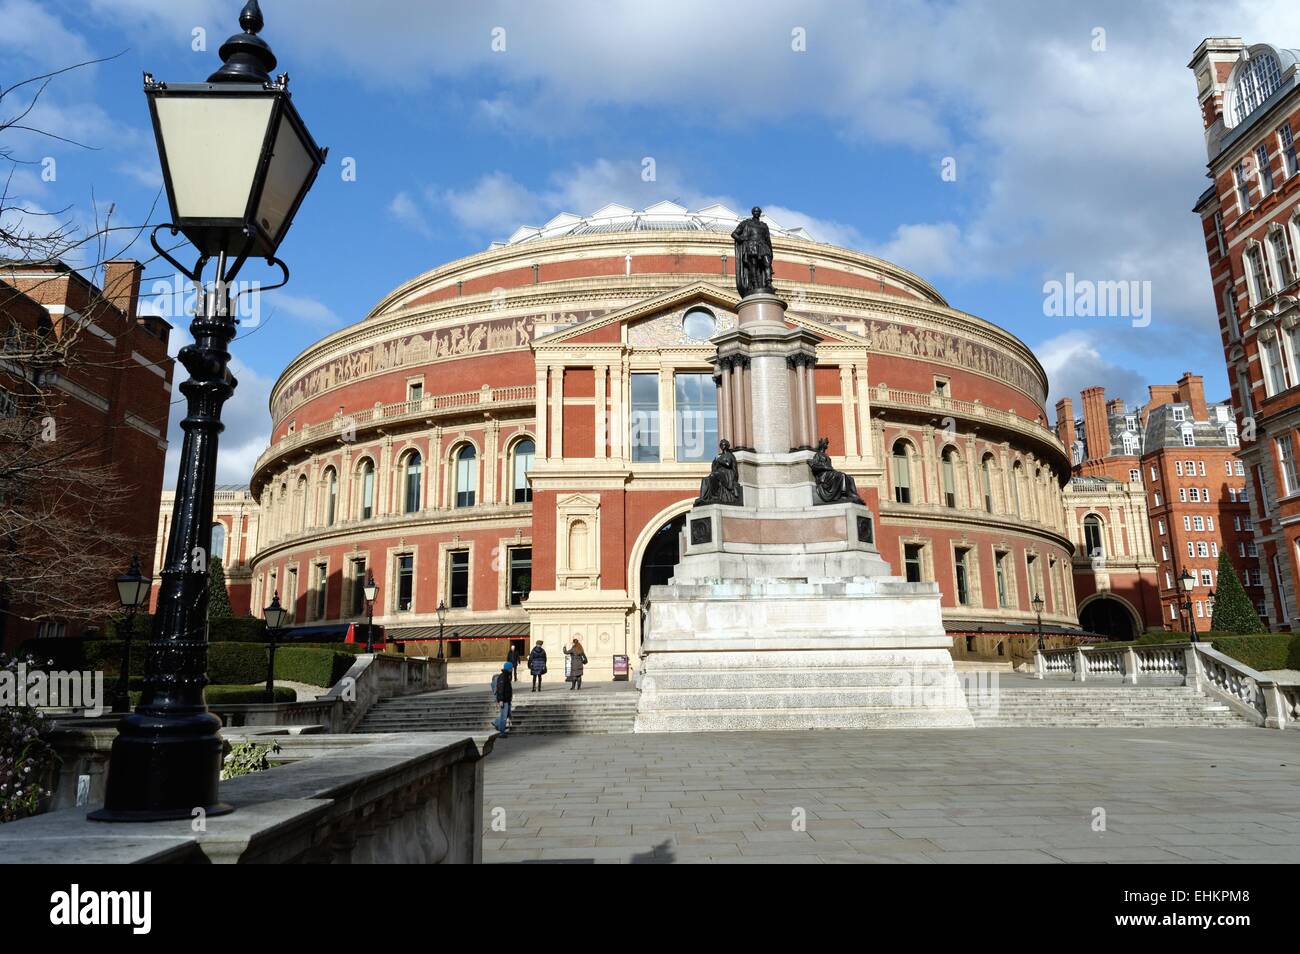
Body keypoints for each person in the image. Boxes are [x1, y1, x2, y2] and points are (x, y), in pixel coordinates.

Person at [493, 661, 513, 736]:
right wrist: (500, 700)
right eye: (511, 668)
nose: (512, 669)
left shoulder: (507, 675)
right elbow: (500, 689)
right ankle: (501, 732)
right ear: (509, 668)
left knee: (507, 714)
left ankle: (496, 722)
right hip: (504, 700)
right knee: (504, 717)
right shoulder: (503, 676)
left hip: (507, 699)